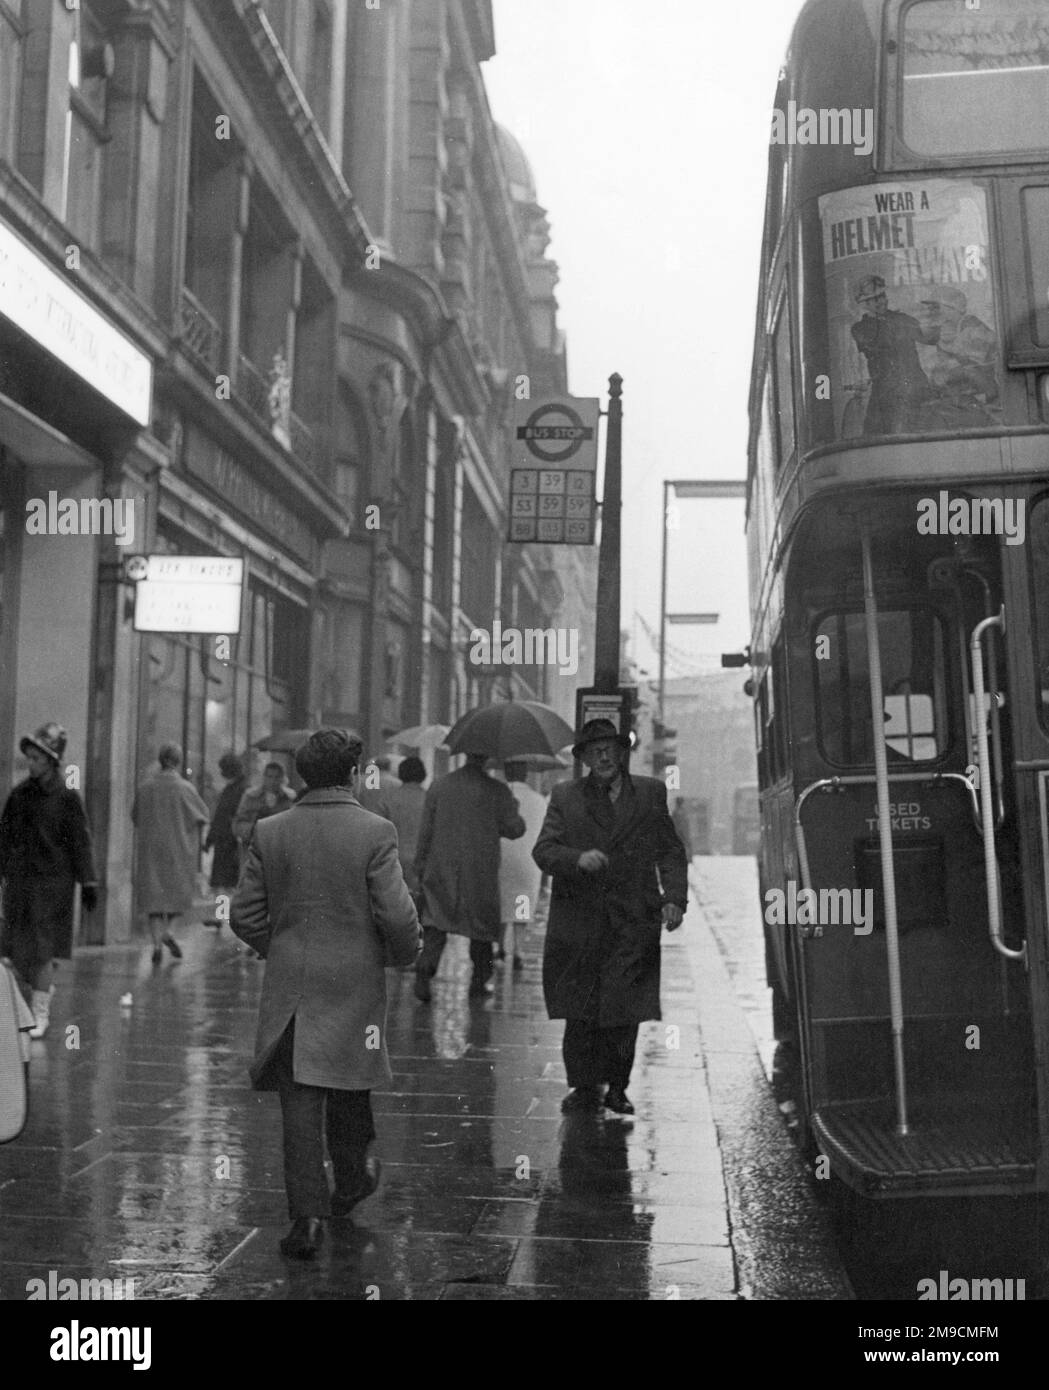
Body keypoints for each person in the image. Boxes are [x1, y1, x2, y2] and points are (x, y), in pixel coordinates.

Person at [230, 728, 420, 1260]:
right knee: (350, 1083)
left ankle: (306, 1220)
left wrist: (284, 945)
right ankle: (355, 1175)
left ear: (301, 775)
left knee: (300, 1103)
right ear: (354, 775)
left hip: (292, 988)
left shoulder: (271, 830)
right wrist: (397, 955)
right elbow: (398, 917)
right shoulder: (375, 831)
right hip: (355, 985)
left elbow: (243, 915)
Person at [532, 719, 688, 1116]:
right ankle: (582, 1086)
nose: (603, 756)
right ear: (583, 758)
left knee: (625, 1009)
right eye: (593, 750)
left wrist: (674, 899)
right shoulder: (566, 796)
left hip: (633, 920)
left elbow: (669, 850)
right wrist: (576, 859)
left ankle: (617, 1087)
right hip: (580, 923)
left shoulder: (651, 793)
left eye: (610, 749)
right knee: (581, 1009)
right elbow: (544, 850)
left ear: (622, 753)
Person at [0, 723, 99, 1039]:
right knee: (16, 952)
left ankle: (38, 1013)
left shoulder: (67, 798)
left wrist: (89, 882)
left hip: (52, 884)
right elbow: (4, 837)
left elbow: (80, 842)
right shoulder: (19, 795)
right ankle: (35, 1000)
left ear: (52, 760)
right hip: (20, 883)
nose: (31, 763)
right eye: (29, 757)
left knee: (42, 950)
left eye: (37, 758)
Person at [413, 749, 526, 1001]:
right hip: (480, 871)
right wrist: (512, 806)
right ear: (487, 756)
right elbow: (515, 829)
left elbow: (426, 831)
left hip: (441, 867)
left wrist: (420, 866)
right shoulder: (497, 790)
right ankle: (479, 980)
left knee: (435, 923)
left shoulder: (440, 786)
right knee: (482, 930)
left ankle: (425, 968)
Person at [131, 744, 210, 965]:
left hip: (151, 852)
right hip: (178, 852)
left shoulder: (145, 787)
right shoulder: (186, 789)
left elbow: (135, 816)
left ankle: (156, 944)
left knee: (153, 902)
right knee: (178, 898)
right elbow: (203, 815)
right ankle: (168, 932)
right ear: (178, 761)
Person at [850, 275, 937, 435]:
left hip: (915, 388)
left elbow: (930, 338)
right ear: (865, 304)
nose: (882, 301)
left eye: (882, 296)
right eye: (875, 299)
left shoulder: (902, 319)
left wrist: (935, 316)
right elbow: (876, 342)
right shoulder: (860, 328)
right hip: (885, 395)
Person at [496, 761, 548, 971]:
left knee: (500, 903)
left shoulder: (499, 796)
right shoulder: (539, 800)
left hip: (501, 858)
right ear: (526, 775)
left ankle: (499, 947)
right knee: (521, 904)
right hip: (528, 862)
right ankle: (517, 949)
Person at [202, 753, 246, 927]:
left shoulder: (235, 790)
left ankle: (224, 916)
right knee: (226, 882)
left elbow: (221, 817)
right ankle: (222, 915)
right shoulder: (239, 789)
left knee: (226, 882)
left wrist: (211, 838)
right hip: (228, 841)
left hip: (231, 841)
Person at [379, 756, 427, 906]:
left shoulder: (388, 799)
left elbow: (380, 833)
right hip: (423, 861)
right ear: (423, 775)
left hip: (394, 859)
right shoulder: (429, 798)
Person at [232, 762, 296, 862]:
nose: (273, 781)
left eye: (277, 777)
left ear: (282, 779)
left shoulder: (289, 798)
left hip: (280, 852)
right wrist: (255, 829)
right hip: (254, 851)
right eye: (269, 776)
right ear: (264, 777)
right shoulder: (251, 796)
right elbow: (238, 825)